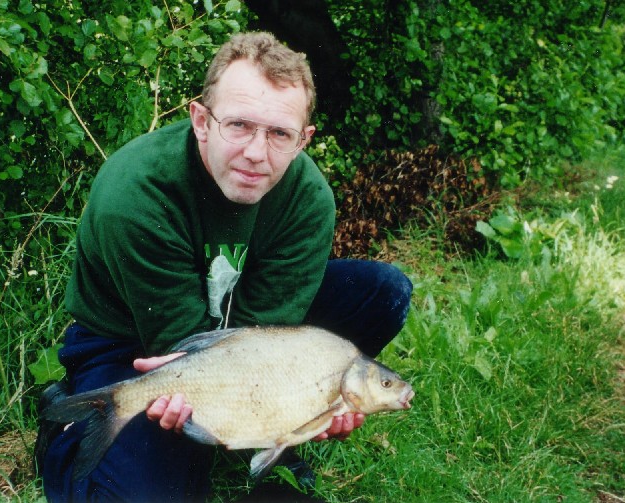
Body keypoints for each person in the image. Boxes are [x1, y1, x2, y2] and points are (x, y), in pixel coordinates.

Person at [38, 31, 413, 502]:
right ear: (201, 120)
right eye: (239, 125)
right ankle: (67, 431)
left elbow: (270, 335)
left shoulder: (309, 197)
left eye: (280, 133)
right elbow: (179, 347)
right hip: (129, 341)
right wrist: (190, 399)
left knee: (383, 290)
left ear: (304, 139)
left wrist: (301, 407)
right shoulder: (134, 193)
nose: (257, 153)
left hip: (247, 327)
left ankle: (262, 426)